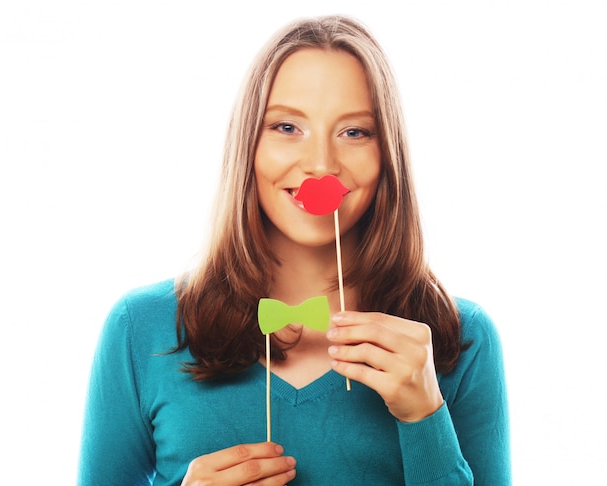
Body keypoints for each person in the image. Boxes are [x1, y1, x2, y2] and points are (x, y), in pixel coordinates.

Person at [78, 15, 510, 485]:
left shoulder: (463, 338)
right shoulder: (139, 329)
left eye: (355, 132)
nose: (321, 164)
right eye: (286, 126)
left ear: (389, 155)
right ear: (248, 146)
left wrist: (425, 414)